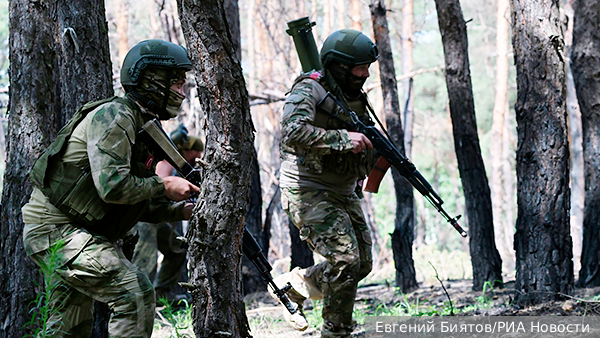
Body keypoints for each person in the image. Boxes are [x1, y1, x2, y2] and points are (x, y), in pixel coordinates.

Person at [21, 39, 199, 338]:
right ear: (152, 81)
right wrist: (164, 184)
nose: (181, 92)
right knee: (135, 293)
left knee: (68, 330)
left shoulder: (140, 123)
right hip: (57, 229)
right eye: (177, 83)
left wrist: (177, 209)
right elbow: (113, 189)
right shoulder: (116, 117)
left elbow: (133, 200)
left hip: (75, 229)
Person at [274, 29, 379, 337]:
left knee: (360, 265)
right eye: (360, 67)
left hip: (343, 190)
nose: (366, 73)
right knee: (345, 260)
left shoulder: (351, 96)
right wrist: (343, 139)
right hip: (307, 188)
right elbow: (293, 132)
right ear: (339, 66)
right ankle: (337, 331)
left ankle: (295, 286)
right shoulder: (310, 89)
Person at [132, 125, 204, 304]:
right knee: (145, 259)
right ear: (189, 151)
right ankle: (141, 303)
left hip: (160, 214)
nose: (197, 160)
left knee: (177, 250)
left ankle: (161, 296)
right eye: (196, 155)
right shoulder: (166, 161)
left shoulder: (179, 165)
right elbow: (158, 185)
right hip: (145, 214)